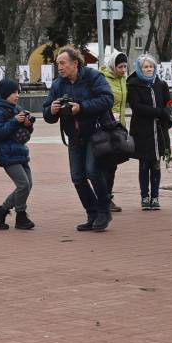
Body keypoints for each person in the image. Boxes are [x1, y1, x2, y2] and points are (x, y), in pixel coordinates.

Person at [42, 45, 115, 232]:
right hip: (74, 137)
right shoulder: (59, 84)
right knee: (77, 177)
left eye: (63, 63)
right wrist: (51, 110)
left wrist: (81, 107)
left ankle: (104, 210)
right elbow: (47, 113)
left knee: (92, 171)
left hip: (95, 134)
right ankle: (92, 214)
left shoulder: (93, 77)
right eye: (58, 63)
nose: (60, 67)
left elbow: (107, 99)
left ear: (75, 63)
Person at [0, 79, 35, 231]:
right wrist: (15, 122)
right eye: (14, 92)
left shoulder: (16, 108)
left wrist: (28, 125)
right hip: (6, 154)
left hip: (20, 151)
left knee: (28, 185)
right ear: (6, 94)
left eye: (18, 92)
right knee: (23, 185)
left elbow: (22, 133)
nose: (17, 95)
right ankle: (21, 216)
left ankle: (0, 211)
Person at [127, 54, 172, 210]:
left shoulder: (161, 84)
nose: (148, 69)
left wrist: (167, 111)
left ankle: (155, 197)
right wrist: (160, 112)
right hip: (142, 130)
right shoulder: (133, 85)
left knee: (156, 164)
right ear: (140, 69)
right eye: (145, 67)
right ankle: (144, 196)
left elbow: (168, 102)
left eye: (151, 66)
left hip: (159, 131)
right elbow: (137, 107)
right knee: (144, 164)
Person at [100, 51, 130, 213]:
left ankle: (107, 197)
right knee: (106, 164)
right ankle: (103, 198)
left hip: (119, 127)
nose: (123, 69)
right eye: (120, 66)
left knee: (113, 165)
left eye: (125, 66)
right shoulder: (103, 79)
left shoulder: (123, 80)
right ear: (113, 66)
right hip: (106, 127)